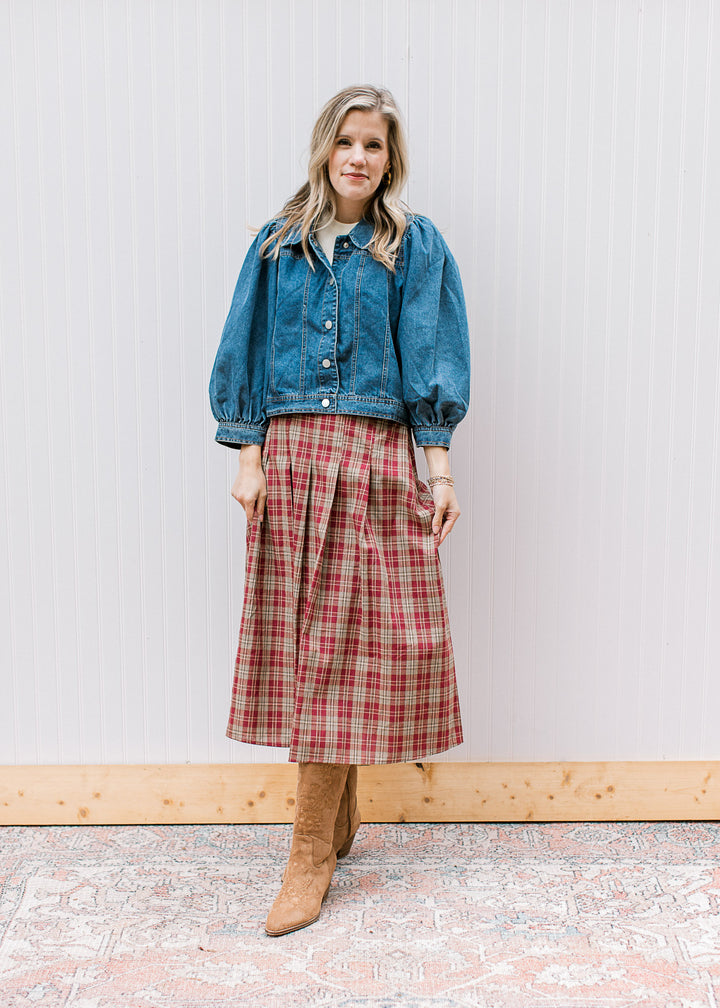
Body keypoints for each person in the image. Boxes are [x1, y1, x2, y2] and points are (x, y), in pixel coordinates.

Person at [209, 84, 471, 937]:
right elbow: (242, 347)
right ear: (325, 147)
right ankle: (321, 838)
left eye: (377, 146)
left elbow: (431, 353)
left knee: (364, 639)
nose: (361, 157)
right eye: (349, 142)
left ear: (391, 160)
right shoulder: (277, 245)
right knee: (316, 643)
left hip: (372, 454)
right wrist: (247, 456)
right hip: (292, 458)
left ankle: (315, 846)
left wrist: (439, 472)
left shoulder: (411, 246)